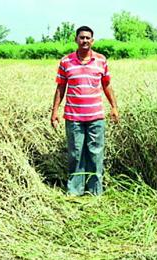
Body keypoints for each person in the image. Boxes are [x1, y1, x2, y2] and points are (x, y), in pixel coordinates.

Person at [51, 25, 119, 196]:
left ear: (92, 40)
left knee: (96, 153)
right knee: (76, 153)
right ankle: (75, 191)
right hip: (73, 117)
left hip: (96, 116)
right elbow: (60, 88)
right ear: (76, 40)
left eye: (88, 38)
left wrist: (114, 107)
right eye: (81, 37)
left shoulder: (101, 60)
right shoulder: (66, 61)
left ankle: (95, 190)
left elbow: (107, 85)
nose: (85, 41)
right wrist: (54, 112)